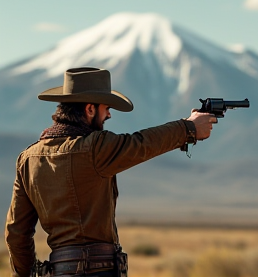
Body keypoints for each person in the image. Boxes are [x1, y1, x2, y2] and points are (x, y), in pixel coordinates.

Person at [5, 67, 217, 277]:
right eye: (106, 107)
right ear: (89, 109)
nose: (109, 114)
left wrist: (25, 273)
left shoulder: (28, 158)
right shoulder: (95, 147)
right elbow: (141, 144)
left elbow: (16, 233)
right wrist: (187, 128)